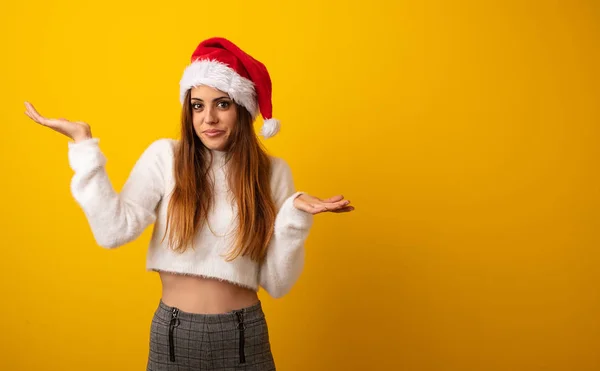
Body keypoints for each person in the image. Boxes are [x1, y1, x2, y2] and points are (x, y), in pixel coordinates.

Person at [24, 37, 354, 370]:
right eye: (198, 105)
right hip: (173, 336)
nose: (208, 117)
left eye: (222, 104)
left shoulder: (272, 173)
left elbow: (277, 283)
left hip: (244, 336)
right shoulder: (165, 157)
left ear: (243, 107)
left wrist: (294, 218)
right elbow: (113, 231)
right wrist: (84, 147)